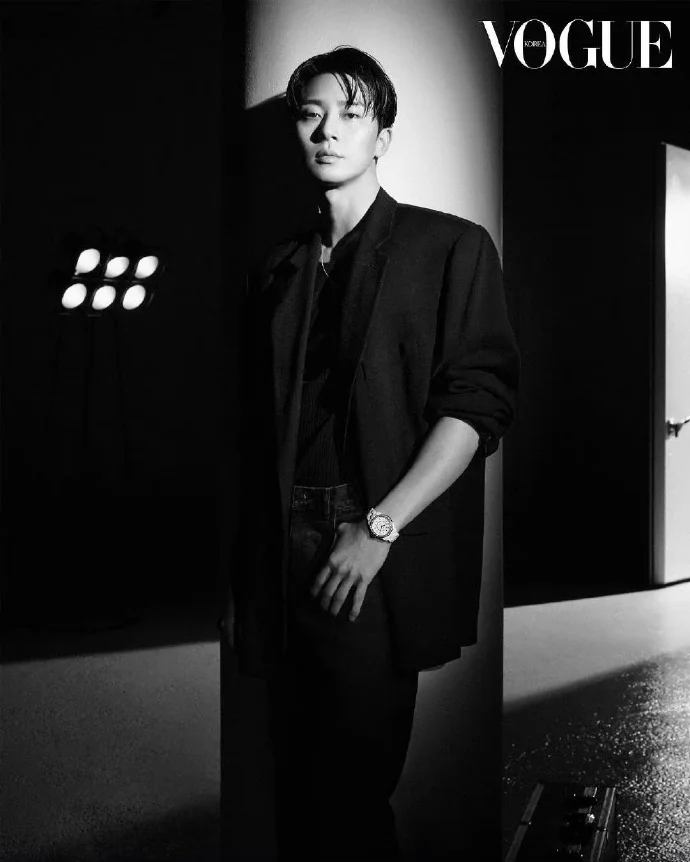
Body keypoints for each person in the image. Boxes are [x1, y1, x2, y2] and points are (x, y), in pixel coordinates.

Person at [220, 45, 519, 862]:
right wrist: (242, 576)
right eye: (311, 114)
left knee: (351, 792)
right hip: (279, 546)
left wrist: (380, 527)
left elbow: (477, 408)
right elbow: (250, 436)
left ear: (382, 135)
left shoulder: (450, 248)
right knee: (290, 784)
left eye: (350, 114)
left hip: (367, 540)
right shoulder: (275, 268)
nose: (327, 131)